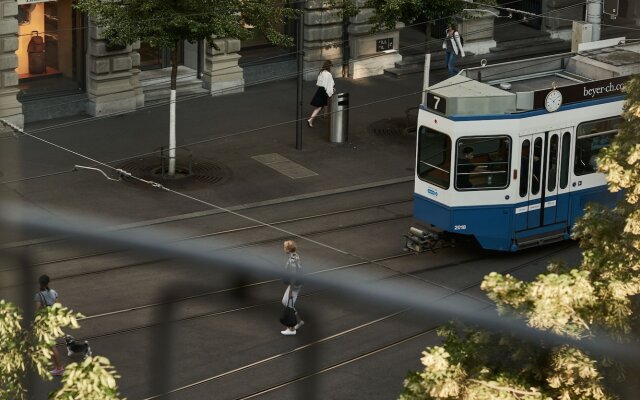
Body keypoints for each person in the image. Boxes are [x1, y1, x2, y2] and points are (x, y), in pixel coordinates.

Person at [35, 274, 64, 376]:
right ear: (48, 282)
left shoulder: (39, 295)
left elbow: (38, 309)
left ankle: (59, 368)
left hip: (46, 321)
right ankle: (58, 367)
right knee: (51, 344)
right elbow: (58, 305)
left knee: (52, 345)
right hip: (53, 320)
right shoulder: (53, 292)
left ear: (40, 283)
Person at [281, 240, 304, 336]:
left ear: (288, 249)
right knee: (285, 301)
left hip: (294, 285)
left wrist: (290, 291)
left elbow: (293, 277)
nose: (283, 249)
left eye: (284, 247)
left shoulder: (291, 261)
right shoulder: (296, 256)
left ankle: (291, 329)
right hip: (297, 284)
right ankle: (300, 321)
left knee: (289, 303)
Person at [307, 60, 335, 128]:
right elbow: (327, 85)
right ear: (329, 66)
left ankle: (325, 115)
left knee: (325, 104)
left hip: (320, 90)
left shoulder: (321, 72)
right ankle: (311, 119)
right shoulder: (328, 74)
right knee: (319, 107)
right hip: (324, 91)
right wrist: (332, 90)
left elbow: (321, 83)